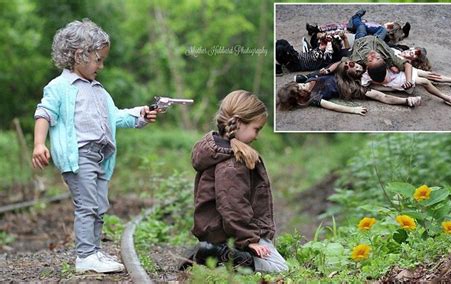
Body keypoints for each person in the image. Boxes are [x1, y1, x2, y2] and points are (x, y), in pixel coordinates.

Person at [31, 19, 159, 273]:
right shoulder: (59, 87)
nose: (101, 65)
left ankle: (94, 251)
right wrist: (38, 144)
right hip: (79, 156)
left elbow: (116, 117)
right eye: (98, 59)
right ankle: (85, 255)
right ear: (80, 55)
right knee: (87, 204)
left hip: (101, 156)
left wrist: (140, 115)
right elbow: (44, 113)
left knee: (99, 206)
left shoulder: (99, 91)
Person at [183, 90, 288, 273]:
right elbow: (232, 205)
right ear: (238, 123)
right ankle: (217, 254)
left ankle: (214, 254)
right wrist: (250, 241)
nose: (257, 136)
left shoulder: (217, 153)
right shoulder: (232, 162)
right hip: (228, 236)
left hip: (219, 232)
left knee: (272, 259)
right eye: (257, 129)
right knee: (279, 268)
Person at [277, 59, 421, 114]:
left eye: (301, 85)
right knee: (375, 94)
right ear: (301, 97)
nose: (304, 86)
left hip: (341, 74)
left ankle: (397, 74)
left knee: (355, 64)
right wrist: (353, 110)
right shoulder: (314, 97)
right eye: (302, 89)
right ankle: (407, 101)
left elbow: (324, 72)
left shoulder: (311, 80)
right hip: (345, 86)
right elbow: (332, 106)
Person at [362, 63, 451, 109]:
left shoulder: (380, 60)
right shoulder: (365, 77)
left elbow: (406, 65)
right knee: (424, 81)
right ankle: (447, 98)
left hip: (403, 73)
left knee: (430, 75)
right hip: (400, 80)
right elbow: (370, 88)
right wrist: (389, 88)